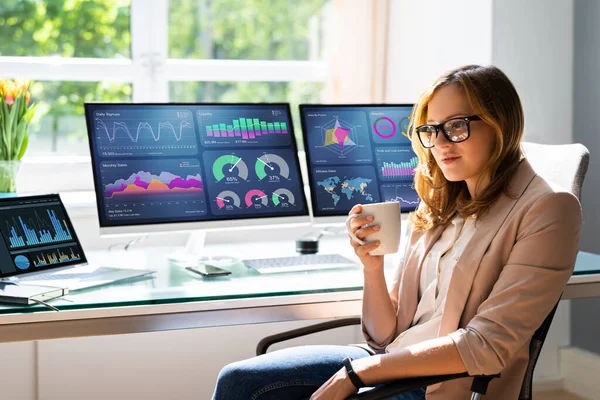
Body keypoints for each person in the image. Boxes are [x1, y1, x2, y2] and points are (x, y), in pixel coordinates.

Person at [212, 64, 582, 400]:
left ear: (500, 123)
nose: (439, 143)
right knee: (239, 380)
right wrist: (371, 266)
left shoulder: (549, 209)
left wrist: (355, 375)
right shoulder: (439, 200)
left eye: (456, 126)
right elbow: (383, 336)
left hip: (444, 383)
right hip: (389, 360)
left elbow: (486, 345)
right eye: (431, 130)